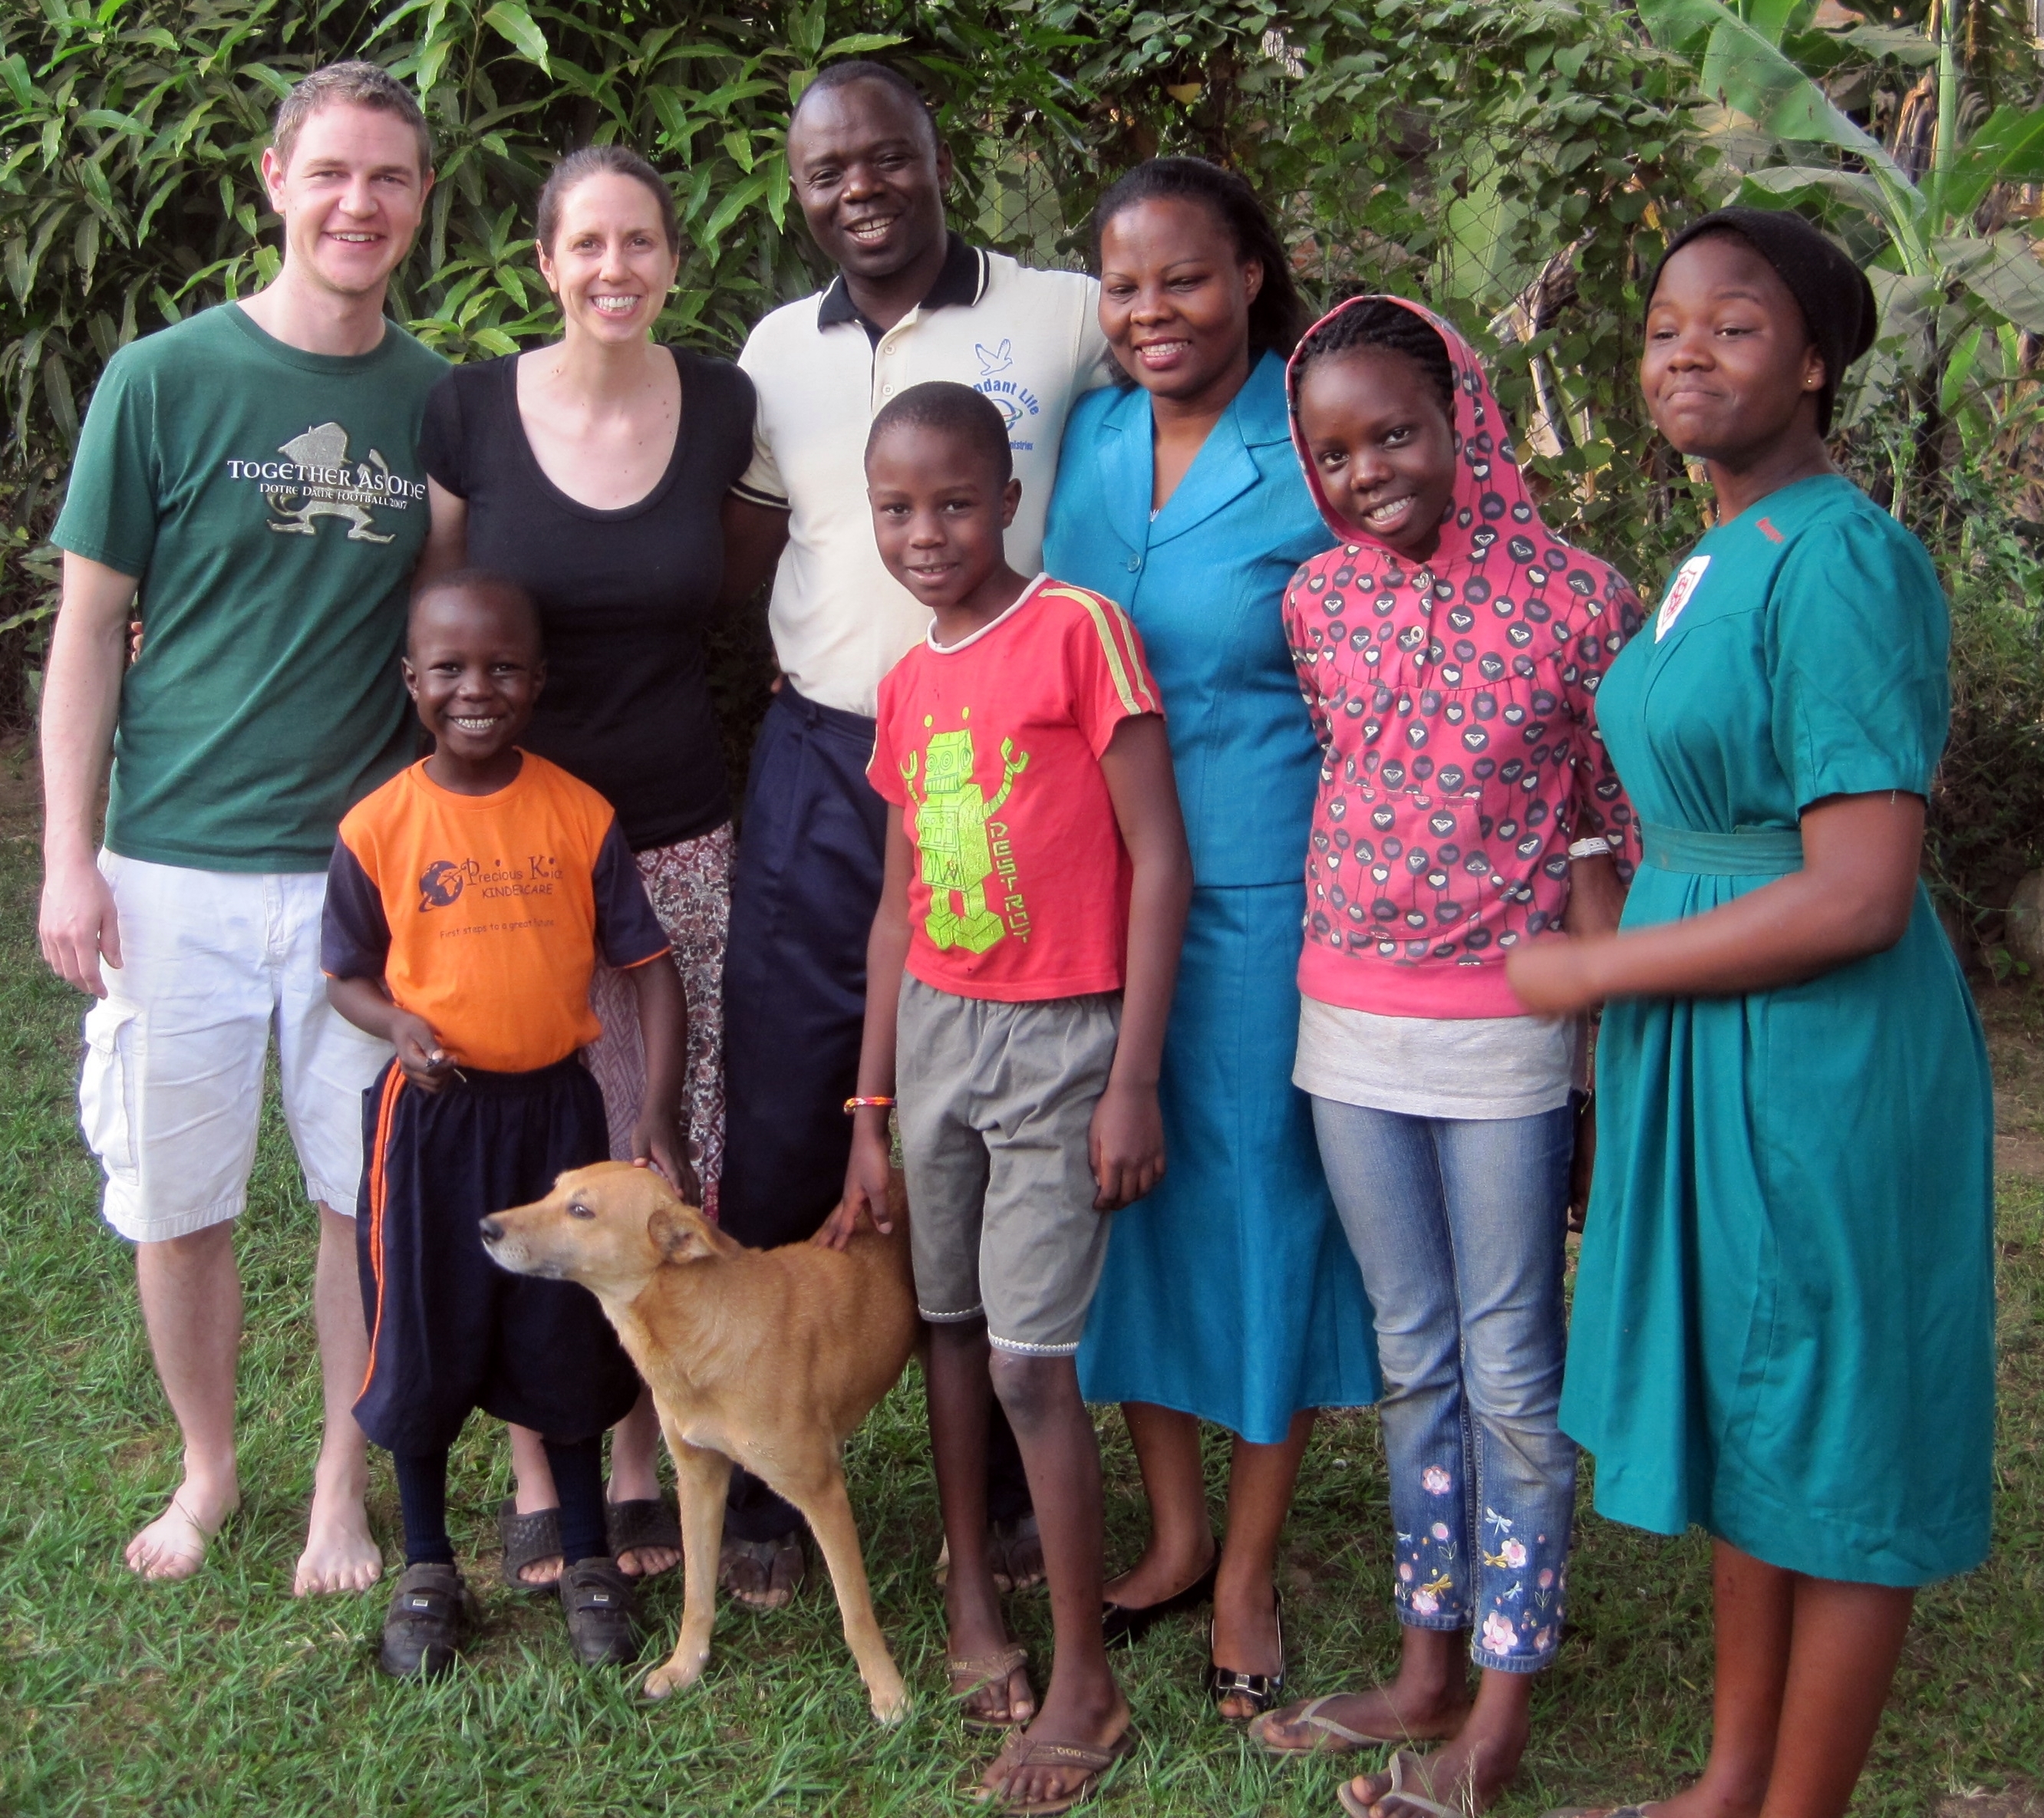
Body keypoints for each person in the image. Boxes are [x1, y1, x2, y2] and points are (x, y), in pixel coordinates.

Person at [1509, 209, 1996, 1818]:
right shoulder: (1720, 553)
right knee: (1755, 1411)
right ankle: (1728, 1785)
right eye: (1661, 325)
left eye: (1732, 324)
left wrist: (1593, 973)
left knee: (1836, 1435)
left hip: (1819, 1055)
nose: (1684, 351)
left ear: (1813, 358)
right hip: (1711, 1037)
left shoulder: (1843, 556)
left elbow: (1857, 888)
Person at [37, 61, 445, 1594]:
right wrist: (68, 855)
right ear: (276, 180)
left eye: (389, 178)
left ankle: (343, 1484)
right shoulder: (163, 378)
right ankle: (211, 1466)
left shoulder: (433, 401)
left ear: (419, 200)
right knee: (181, 1200)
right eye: (332, 173)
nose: (359, 205)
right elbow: (88, 634)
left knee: (361, 1200)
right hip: (172, 869)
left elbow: (447, 626)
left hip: (358, 880)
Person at [715, 59, 1112, 1604]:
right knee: (783, 1094)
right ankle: (760, 1472)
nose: (859, 190)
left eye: (886, 159)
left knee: (996, 1084)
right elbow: (760, 540)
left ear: (940, 159)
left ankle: (1008, 1489)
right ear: (800, 192)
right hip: (827, 751)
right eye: (827, 173)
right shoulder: (774, 352)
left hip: (1013, 761)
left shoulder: (1067, 311)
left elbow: (1215, 370)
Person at [1251, 295, 1642, 1818]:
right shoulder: (1317, 606)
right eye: (1333, 451)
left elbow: (1605, 825)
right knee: (1410, 1355)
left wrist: (1603, 1061)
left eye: (1394, 433)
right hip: (1344, 1026)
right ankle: (1421, 1664)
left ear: (1464, 420)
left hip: (1507, 1035)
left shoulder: (1578, 602)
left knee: (1510, 1371)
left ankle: (1497, 1707)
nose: (1364, 472)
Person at [1040, 157, 1379, 1720]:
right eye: (1122, 285)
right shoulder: (1091, 438)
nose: (1149, 310)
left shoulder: (1312, 447)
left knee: (1255, 1214)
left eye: (1181, 278)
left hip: (1260, 894)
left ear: (1252, 275)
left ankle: (1247, 1565)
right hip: (1089, 895)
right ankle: (1171, 1530)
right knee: (1130, 1212)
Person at [823, 380, 1189, 1810]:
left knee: (1037, 1361)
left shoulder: (1078, 631)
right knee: (951, 1327)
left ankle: (1085, 1677)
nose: (928, 533)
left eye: (957, 503)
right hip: (937, 1041)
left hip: (1060, 1042)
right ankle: (974, 1593)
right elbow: (898, 912)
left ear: (1010, 500)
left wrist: (1134, 1077)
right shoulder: (908, 682)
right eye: (899, 509)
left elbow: (1159, 856)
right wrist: (868, 1110)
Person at [416, 143, 754, 1590]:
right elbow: (440, 616)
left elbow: (742, 602)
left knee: (668, 1131)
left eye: (642, 241)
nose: (615, 267)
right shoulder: (471, 412)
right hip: (513, 842)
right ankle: (537, 1458)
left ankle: (644, 1448)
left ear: (676, 259)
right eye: (586, 244)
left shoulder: (725, 403)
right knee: (529, 1129)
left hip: (679, 825)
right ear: (546, 263)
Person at [323, 569, 688, 1675]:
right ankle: (428, 1565)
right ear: (411, 682)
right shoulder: (379, 825)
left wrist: (657, 1110)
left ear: (539, 679)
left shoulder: (578, 814)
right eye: (448, 668)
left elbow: (653, 970)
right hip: (431, 1126)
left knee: (562, 1336)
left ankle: (586, 1553)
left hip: (555, 1120)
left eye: (500, 667)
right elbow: (342, 973)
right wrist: (396, 1024)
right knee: (424, 1328)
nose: (474, 688)